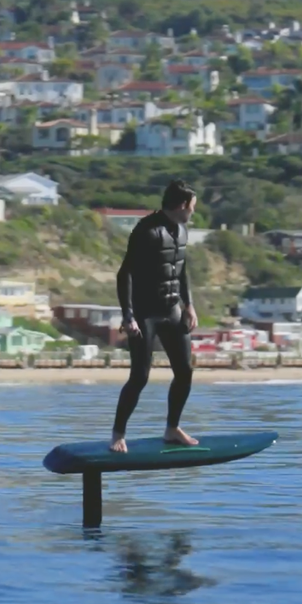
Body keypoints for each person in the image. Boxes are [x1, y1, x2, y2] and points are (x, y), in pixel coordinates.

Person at [111, 180, 200, 453]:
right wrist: (128, 316)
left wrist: (190, 305)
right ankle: (117, 434)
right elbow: (124, 274)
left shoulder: (182, 231)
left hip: (173, 309)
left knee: (185, 371)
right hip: (145, 313)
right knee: (140, 376)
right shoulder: (146, 230)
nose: (194, 212)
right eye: (193, 207)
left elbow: (180, 270)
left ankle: (172, 429)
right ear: (183, 205)